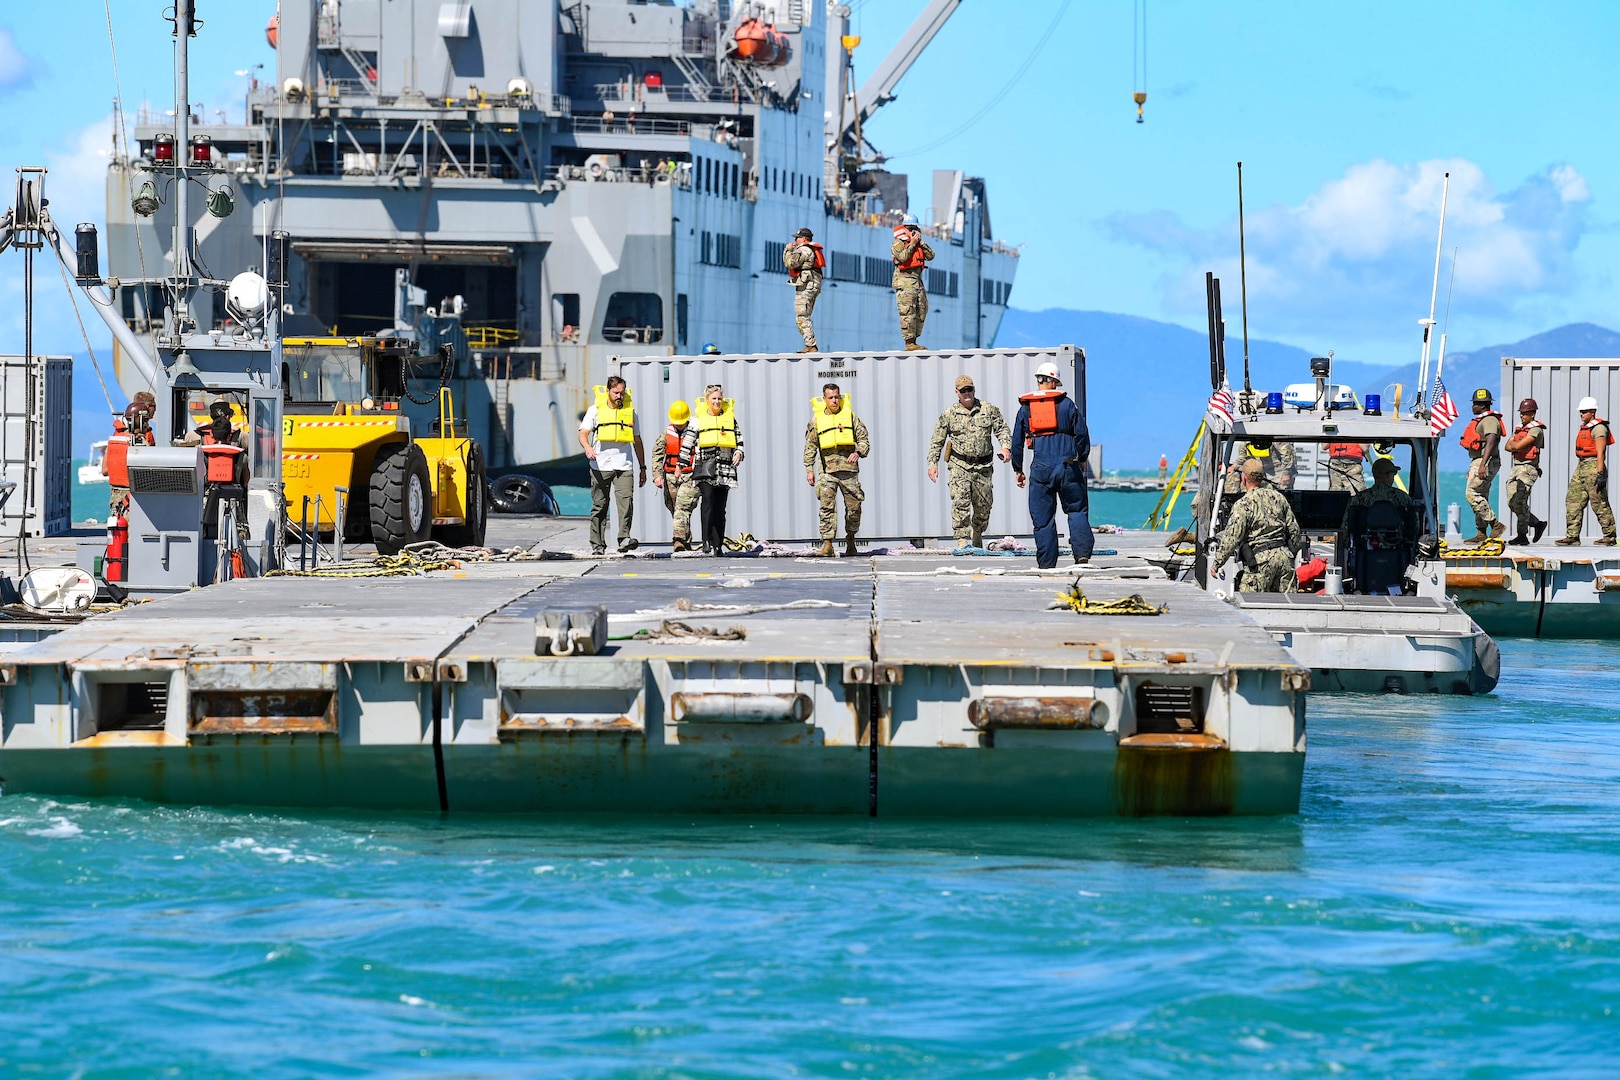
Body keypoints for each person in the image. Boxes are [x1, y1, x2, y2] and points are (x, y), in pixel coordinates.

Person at [1012, 362, 1093, 568]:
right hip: (1068, 466)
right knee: (1076, 510)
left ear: (1039, 380)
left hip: (1040, 468)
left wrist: (1018, 469)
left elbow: (1017, 441)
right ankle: (1082, 555)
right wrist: (1082, 458)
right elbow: (1082, 434)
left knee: (1043, 518)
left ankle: (1047, 564)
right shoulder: (1067, 405)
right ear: (1055, 381)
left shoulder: (1026, 408)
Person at [926, 374, 1012, 550]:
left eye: (970, 389)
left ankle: (977, 533)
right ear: (956, 393)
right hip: (959, 465)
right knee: (960, 501)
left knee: (983, 505)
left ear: (974, 390)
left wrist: (1005, 447)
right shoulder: (949, 414)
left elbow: (1002, 429)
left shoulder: (988, 409)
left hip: (983, 466)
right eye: (963, 391)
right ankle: (963, 540)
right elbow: (937, 441)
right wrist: (932, 464)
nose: (967, 393)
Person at [577, 376, 646, 555]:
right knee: (600, 505)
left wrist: (643, 467)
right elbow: (583, 433)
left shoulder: (631, 412)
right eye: (616, 392)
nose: (619, 396)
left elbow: (637, 441)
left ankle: (624, 539)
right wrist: (587, 448)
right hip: (600, 464)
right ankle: (597, 544)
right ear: (608, 391)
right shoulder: (595, 411)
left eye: (622, 393)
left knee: (626, 502)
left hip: (624, 464)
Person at [1213, 458, 1304, 593]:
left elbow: (1232, 538)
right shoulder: (1279, 498)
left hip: (1259, 562)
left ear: (1244, 478)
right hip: (1284, 560)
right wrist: (1291, 553)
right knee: (1287, 606)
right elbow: (1294, 530)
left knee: (1249, 605)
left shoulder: (1243, 504)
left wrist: (1217, 563)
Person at [676, 384, 744, 555]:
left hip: (725, 469)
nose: (717, 401)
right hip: (705, 469)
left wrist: (738, 453)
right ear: (707, 400)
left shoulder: (730, 419)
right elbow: (687, 444)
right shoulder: (697, 420)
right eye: (714, 398)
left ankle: (718, 544)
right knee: (708, 502)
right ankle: (706, 540)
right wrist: (680, 465)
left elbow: (739, 440)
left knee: (720, 508)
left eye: (720, 398)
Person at [804, 383, 870, 556]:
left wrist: (858, 452)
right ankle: (827, 544)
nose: (834, 400)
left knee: (854, 509)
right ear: (824, 399)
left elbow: (864, 441)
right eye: (831, 397)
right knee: (826, 508)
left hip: (849, 471)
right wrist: (809, 469)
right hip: (827, 471)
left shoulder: (850, 416)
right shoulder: (817, 419)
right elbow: (810, 445)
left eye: (837, 397)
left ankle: (851, 538)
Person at [1555, 396, 1616, 546]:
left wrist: (1601, 473)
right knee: (1573, 500)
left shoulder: (1599, 428)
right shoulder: (1585, 427)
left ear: (1592, 412)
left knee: (1598, 502)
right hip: (1581, 466)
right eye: (1580, 412)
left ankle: (1609, 536)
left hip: (1594, 466)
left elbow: (1600, 452)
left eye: (1583, 412)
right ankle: (1572, 536)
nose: (1581, 414)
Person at [1458, 388, 1506, 542]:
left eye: (1475, 404)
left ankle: (1495, 524)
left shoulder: (1490, 420)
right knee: (1482, 495)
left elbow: (1491, 440)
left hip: (1486, 461)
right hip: (1479, 460)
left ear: (1482, 405)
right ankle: (1481, 533)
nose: (1472, 407)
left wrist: (1483, 464)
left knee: (1472, 494)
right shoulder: (1483, 420)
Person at [1503, 397, 1548, 545]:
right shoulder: (1519, 429)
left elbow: (1516, 445)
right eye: (1521, 413)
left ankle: (1522, 535)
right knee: (1512, 501)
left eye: (1525, 413)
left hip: (1528, 468)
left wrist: (1515, 445)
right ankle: (1536, 523)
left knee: (1520, 500)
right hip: (1516, 467)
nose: (1522, 415)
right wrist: (1516, 445)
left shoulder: (1536, 430)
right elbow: (1508, 446)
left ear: (1532, 414)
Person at [651, 400, 694, 550]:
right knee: (675, 510)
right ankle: (686, 541)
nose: (679, 425)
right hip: (669, 477)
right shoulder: (666, 433)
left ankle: (678, 541)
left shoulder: (695, 433)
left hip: (689, 476)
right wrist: (657, 475)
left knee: (682, 508)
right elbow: (657, 453)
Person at [890, 213, 934, 351]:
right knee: (907, 311)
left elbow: (931, 255)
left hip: (917, 281)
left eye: (915, 228)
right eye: (910, 228)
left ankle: (915, 339)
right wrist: (913, 243)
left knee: (922, 309)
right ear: (904, 229)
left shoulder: (918, 244)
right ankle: (909, 343)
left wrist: (920, 242)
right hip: (905, 280)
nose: (913, 230)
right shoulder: (898, 243)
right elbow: (903, 257)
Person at [783, 227, 824, 353]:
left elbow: (790, 263)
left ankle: (811, 345)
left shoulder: (803, 250)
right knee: (804, 315)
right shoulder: (810, 249)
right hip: (813, 283)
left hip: (807, 285)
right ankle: (810, 344)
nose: (795, 240)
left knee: (802, 316)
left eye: (797, 237)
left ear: (804, 239)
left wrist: (788, 250)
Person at [1341, 457, 1414, 527]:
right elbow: (1414, 526)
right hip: (1396, 539)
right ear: (1388, 475)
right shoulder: (1403, 497)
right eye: (1394, 473)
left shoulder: (1359, 498)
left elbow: (1347, 525)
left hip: (1365, 539)